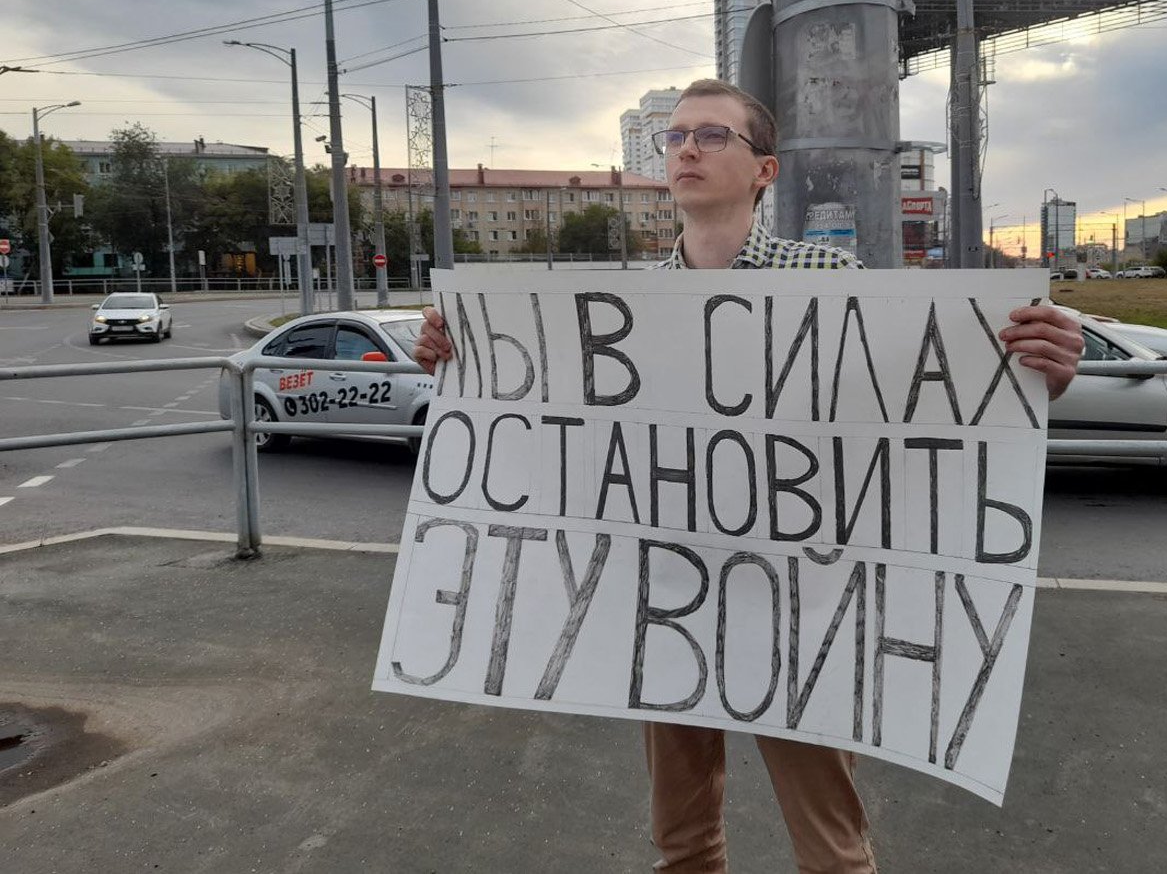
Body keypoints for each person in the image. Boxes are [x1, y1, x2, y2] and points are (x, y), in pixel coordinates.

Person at [413, 78, 1083, 873]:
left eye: (712, 135)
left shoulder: (828, 276)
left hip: (800, 604)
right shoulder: (629, 304)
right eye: (675, 136)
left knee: (833, 852)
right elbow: (570, 428)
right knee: (682, 844)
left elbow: (914, 400)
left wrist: (1035, 374)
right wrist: (463, 359)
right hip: (670, 599)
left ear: (765, 170)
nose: (686, 149)